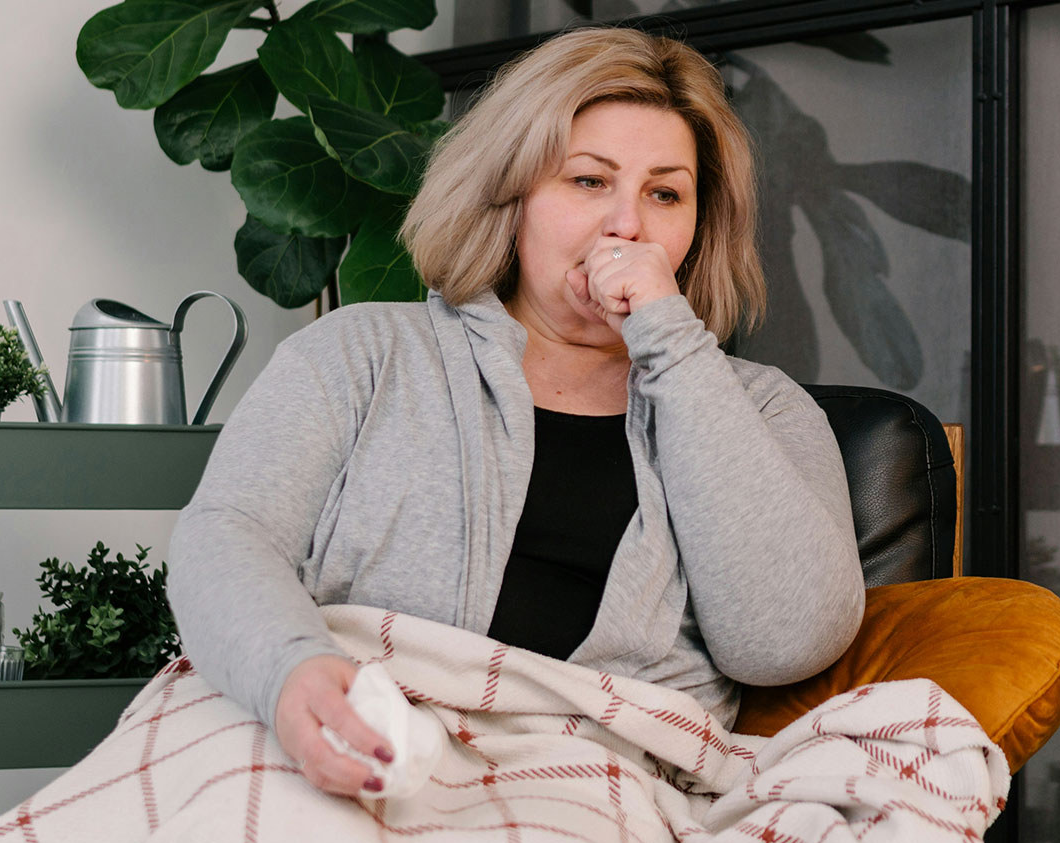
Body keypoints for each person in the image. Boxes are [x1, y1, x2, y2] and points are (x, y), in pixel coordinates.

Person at [166, 25, 864, 802]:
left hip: (595, 787)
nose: (627, 226)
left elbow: (786, 642)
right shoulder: (360, 354)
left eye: (665, 194)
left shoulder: (761, 410)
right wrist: (289, 670)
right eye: (588, 181)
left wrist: (671, 342)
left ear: (702, 229)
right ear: (512, 192)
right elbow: (226, 534)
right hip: (359, 742)